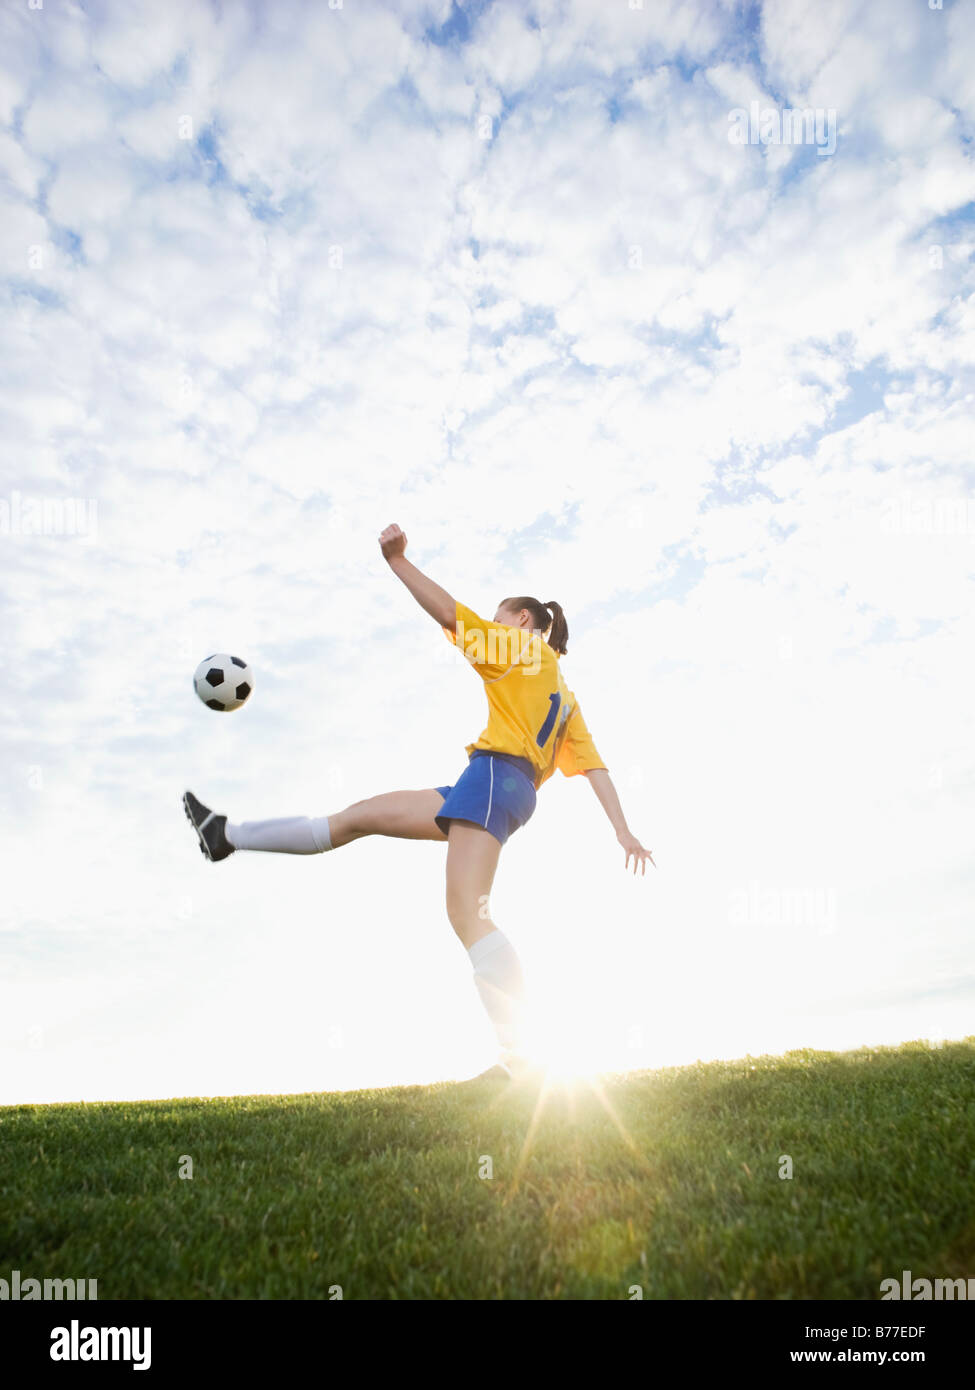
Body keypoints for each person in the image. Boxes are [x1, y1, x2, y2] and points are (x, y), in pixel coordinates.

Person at [184, 523, 654, 1079]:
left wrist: (398, 563)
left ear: (522, 621)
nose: (495, 625)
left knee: (467, 912)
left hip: (495, 781)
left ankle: (524, 1059)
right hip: (488, 784)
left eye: (502, 617)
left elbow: (454, 616)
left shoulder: (525, 650)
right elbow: (594, 766)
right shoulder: (565, 694)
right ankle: (225, 835)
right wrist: (622, 830)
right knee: (356, 819)